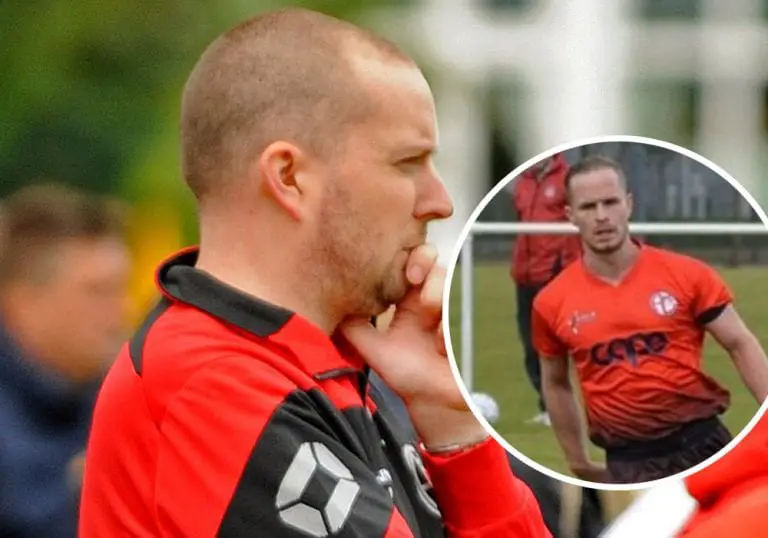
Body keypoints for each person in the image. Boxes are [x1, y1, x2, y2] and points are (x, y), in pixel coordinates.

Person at [79, 8, 550, 537]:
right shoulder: (210, 382)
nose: (439, 202)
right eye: (407, 163)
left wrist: (452, 424)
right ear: (289, 177)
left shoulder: (322, 367)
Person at [531, 154, 768, 484]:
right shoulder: (551, 302)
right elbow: (555, 382)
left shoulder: (687, 274)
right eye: (588, 207)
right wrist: (578, 460)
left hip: (704, 445)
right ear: (571, 215)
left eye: (610, 202)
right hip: (629, 463)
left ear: (628, 204)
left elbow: (739, 342)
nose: (602, 217)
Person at [0, 183, 130, 538]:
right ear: (22, 302)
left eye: (121, 288)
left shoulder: (112, 396)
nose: (120, 312)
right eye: (97, 291)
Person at [510, 153, 580, 426]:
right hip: (525, 274)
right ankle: (547, 407)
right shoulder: (523, 181)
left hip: (554, 275)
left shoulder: (568, 178)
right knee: (530, 344)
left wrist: (569, 268)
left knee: (555, 347)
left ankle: (567, 407)